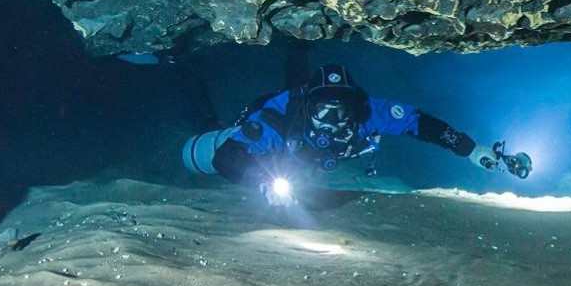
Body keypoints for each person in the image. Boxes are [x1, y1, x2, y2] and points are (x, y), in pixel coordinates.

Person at [181, 64, 530, 202]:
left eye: (341, 108)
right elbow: (226, 157)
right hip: (270, 159)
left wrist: (472, 149)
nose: (333, 117)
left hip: (307, 165)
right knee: (199, 153)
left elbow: (423, 124)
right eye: (323, 108)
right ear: (307, 107)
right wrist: (263, 182)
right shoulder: (278, 116)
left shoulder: (370, 113)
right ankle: (192, 89)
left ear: (355, 105)